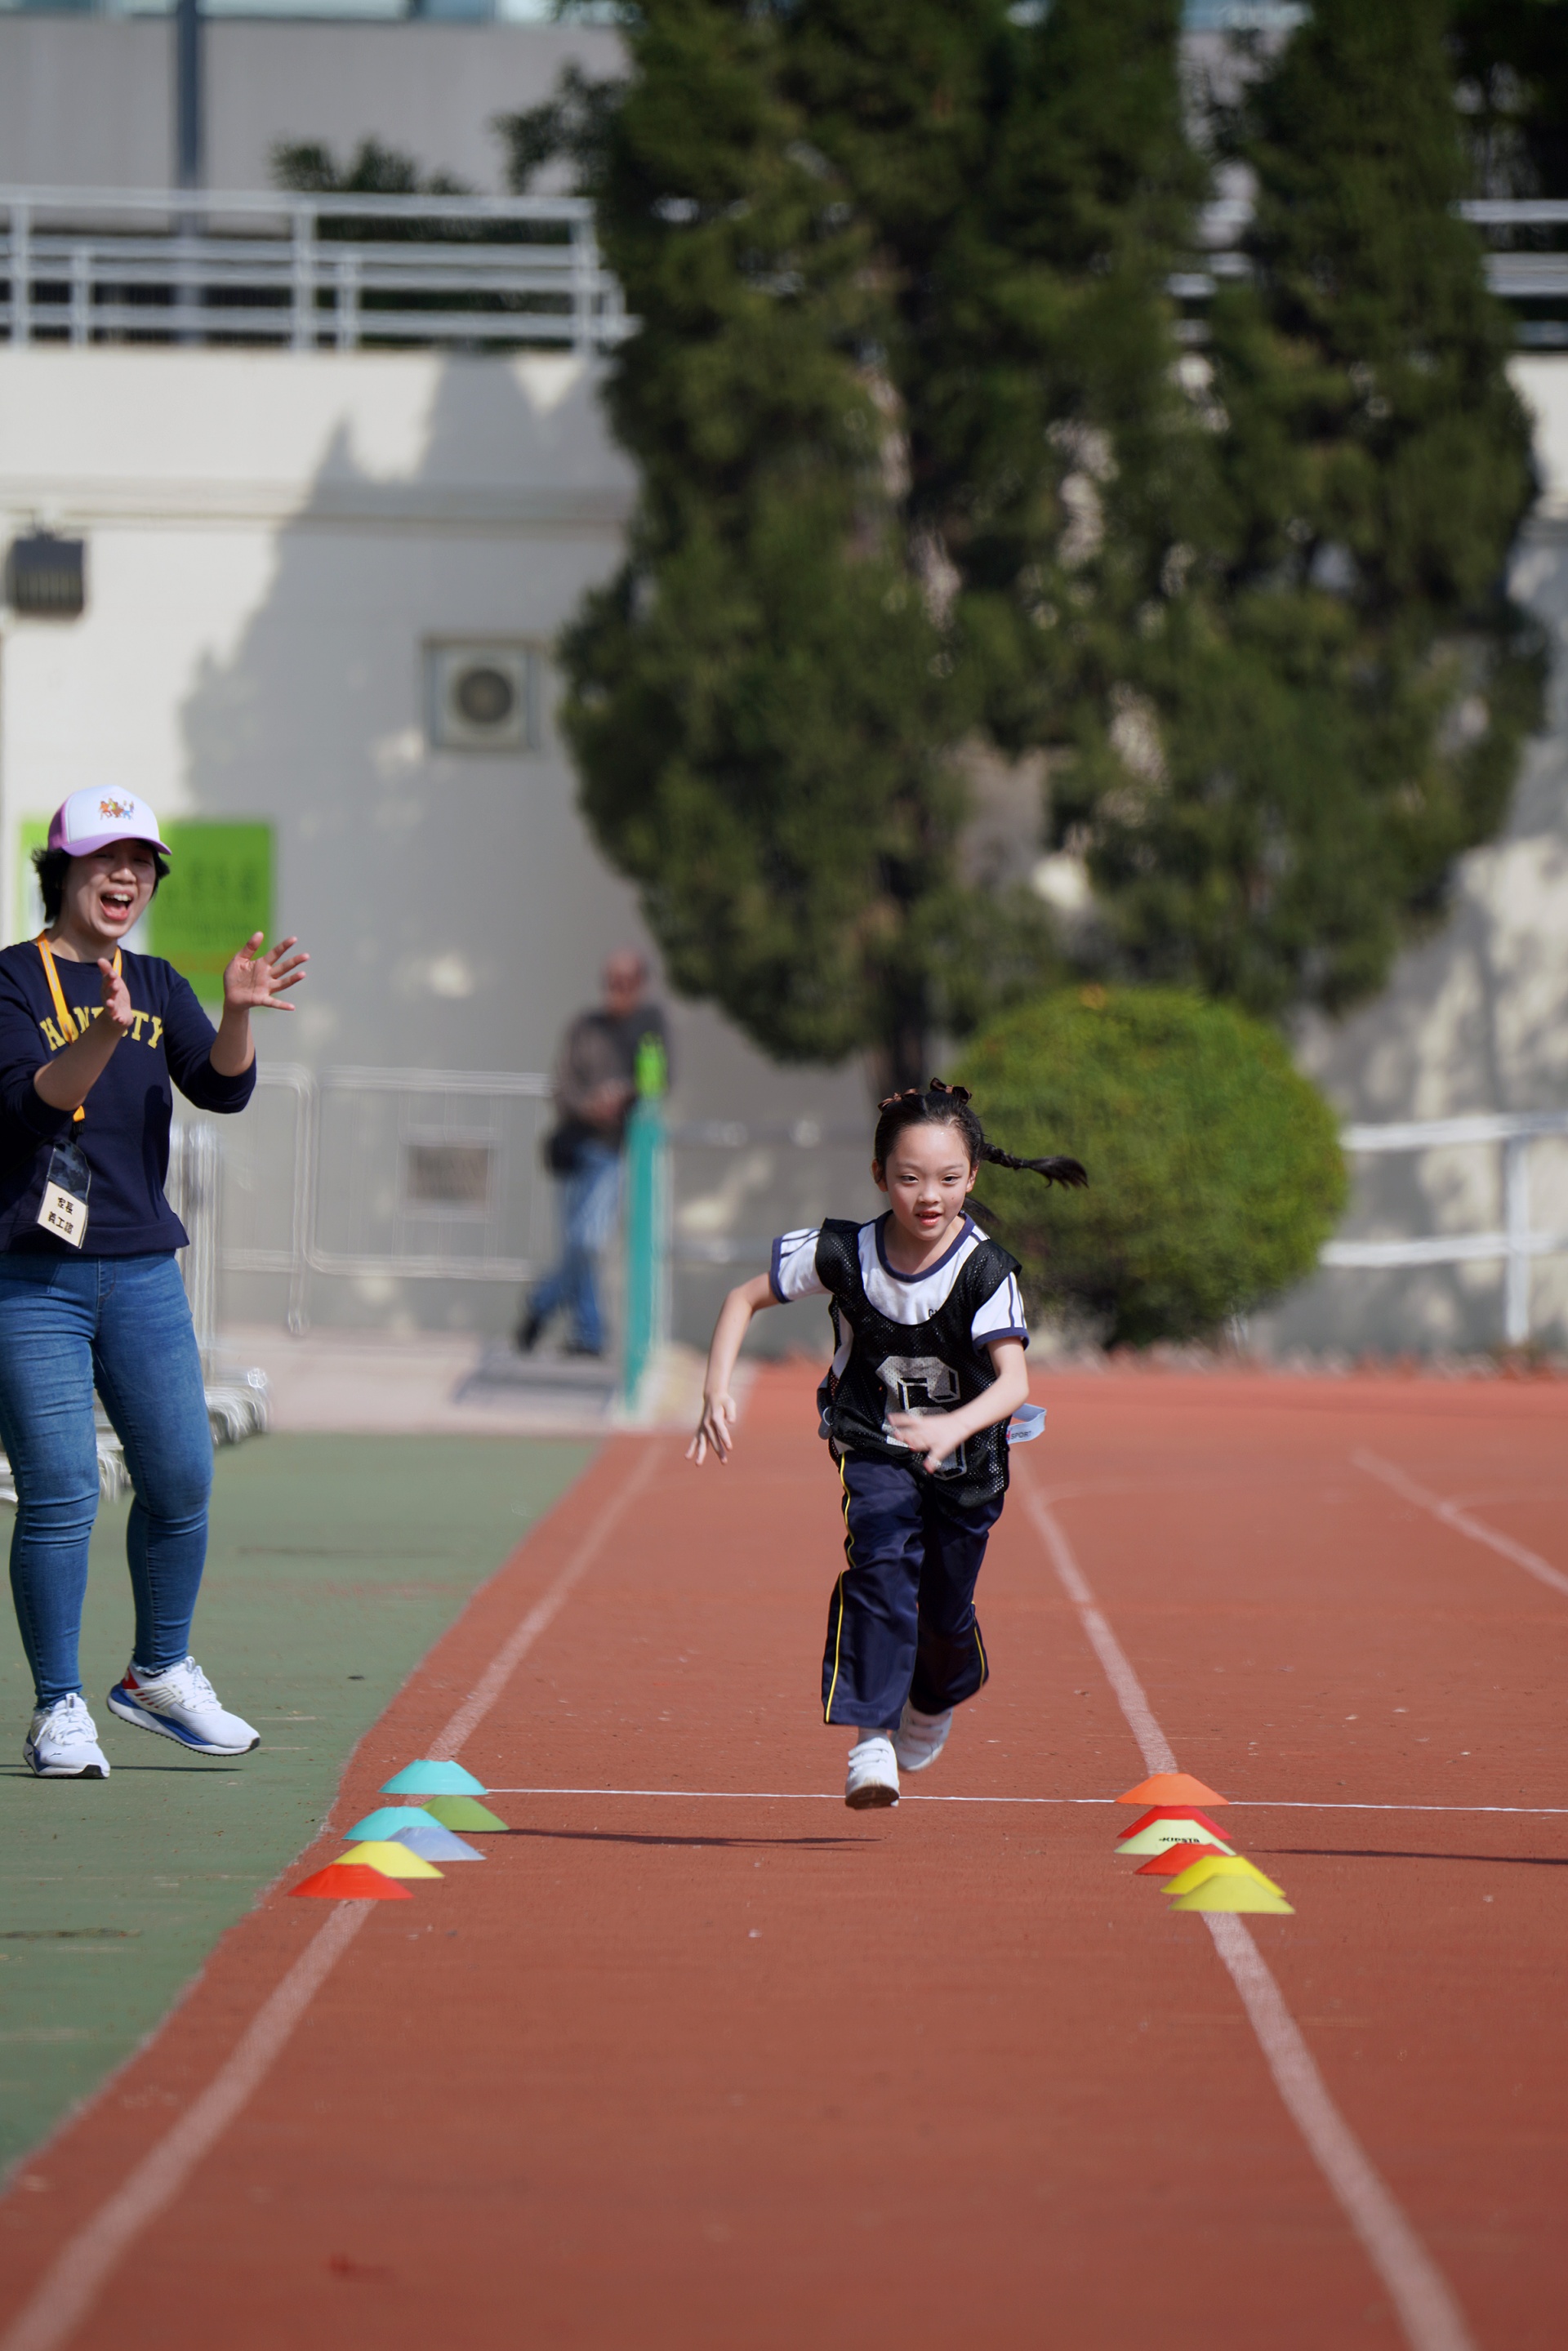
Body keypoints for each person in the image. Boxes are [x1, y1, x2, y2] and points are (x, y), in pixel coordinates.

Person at [0, 789, 307, 1779]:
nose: (126, 876)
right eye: (106, 859)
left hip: (140, 1270)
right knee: (62, 1491)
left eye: (141, 862)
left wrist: (237, 1014)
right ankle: (57, 1707)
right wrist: (102, 1031)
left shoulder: (159, 980)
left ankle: (158, 1672)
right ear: (62, 872)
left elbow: (220, 1086)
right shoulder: (11, 979)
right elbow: (32, 1104)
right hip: (31, 1278)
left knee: (180, 1478)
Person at [688, 1080, 1085, 1810]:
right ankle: (871, 1736)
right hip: (875, 1439)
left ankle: (931, 1702)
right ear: (879, 1175)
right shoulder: (845, 1251)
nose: (929, 1196)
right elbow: (743, 1297)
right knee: (879, 1563)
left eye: (948, 1178)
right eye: (909, 1178)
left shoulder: (985, 1270)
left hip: (967, 1460)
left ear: (973, 1177)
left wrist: (953, 1426)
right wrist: (715, 1387)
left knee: (944, 1610)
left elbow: (1013, 1382)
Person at [519, 951, 670, 1360]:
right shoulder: (584, 1027)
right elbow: (562, 1085)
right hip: (575, 1147)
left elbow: (658, 1082)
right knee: (577, 1244)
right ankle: (587, 1333)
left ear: (639, 985)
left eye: (624, 983)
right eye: (610, 981)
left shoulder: (649, 1027)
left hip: (612, 1151)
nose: (615, 991)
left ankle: (545, 1306)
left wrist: (623, 1097)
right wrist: (590, 1105)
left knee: (587, 1241)